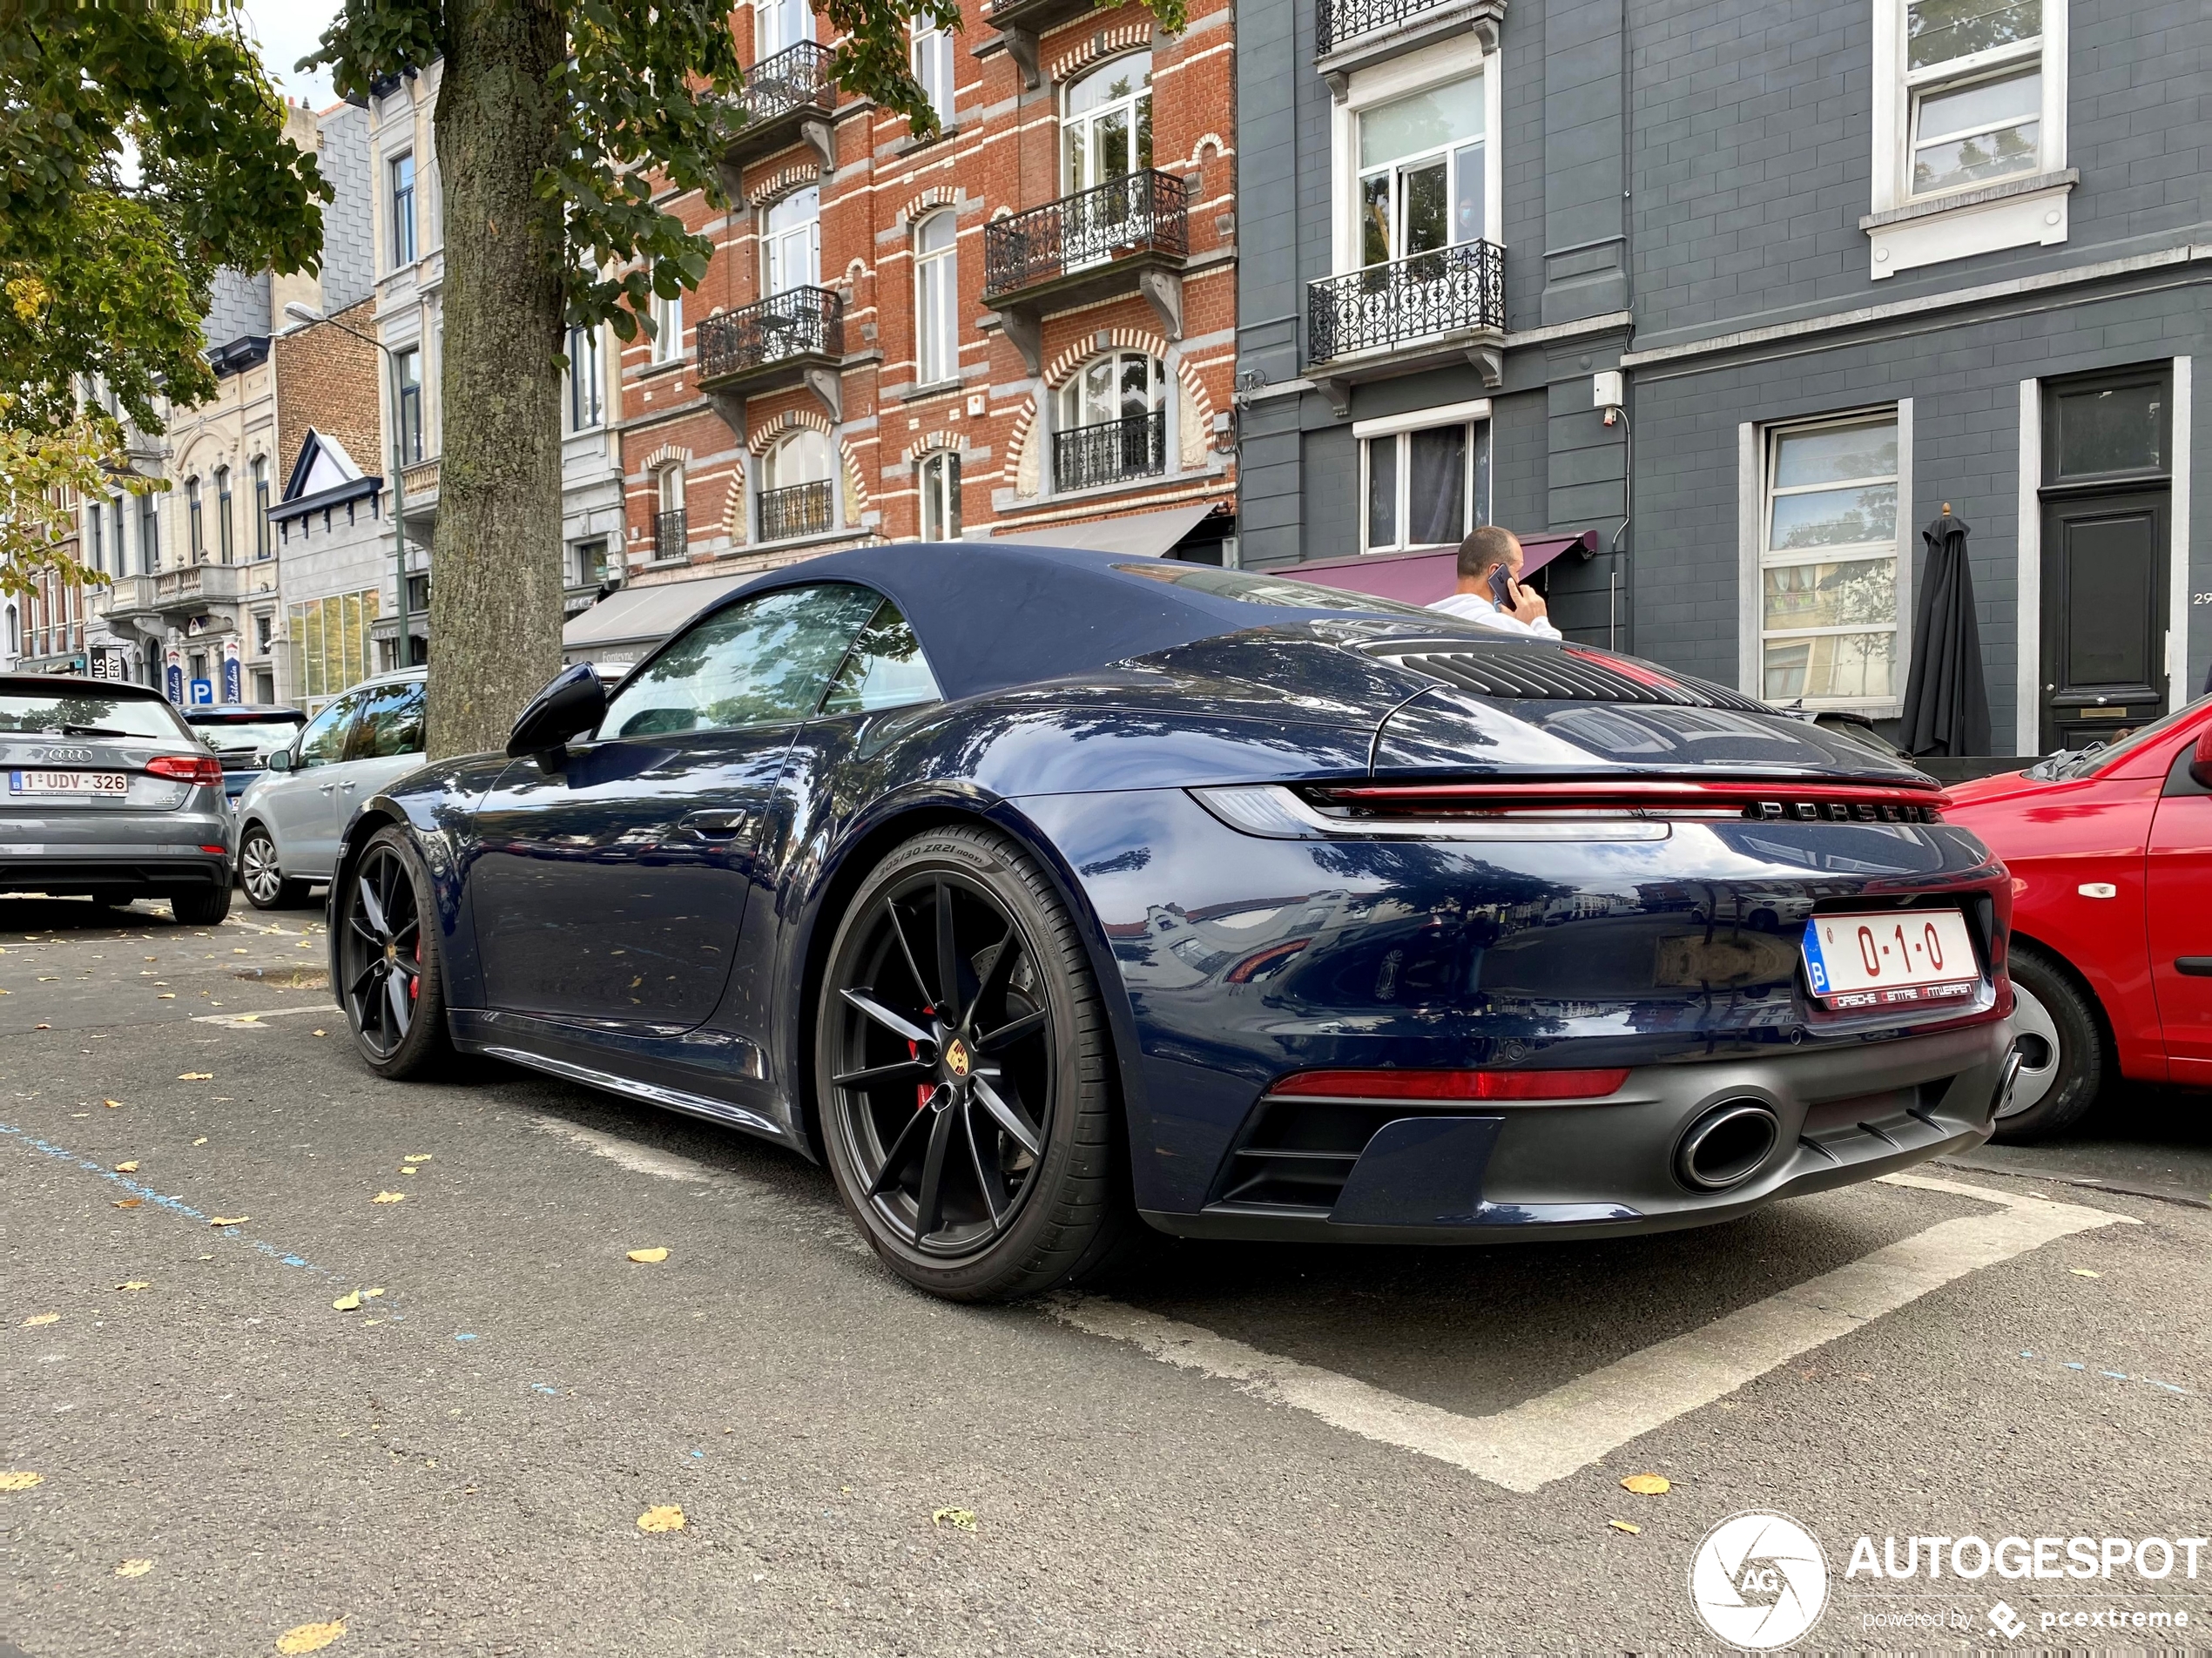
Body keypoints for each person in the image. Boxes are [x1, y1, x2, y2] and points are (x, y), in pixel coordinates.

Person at [1426, 525, 1561, 639]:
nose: (1518, 581)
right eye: (1517, 571)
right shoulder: (1502, 628)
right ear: (1496, 572)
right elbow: (1558, 662)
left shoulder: (1424, 621)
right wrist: (1537, 621)